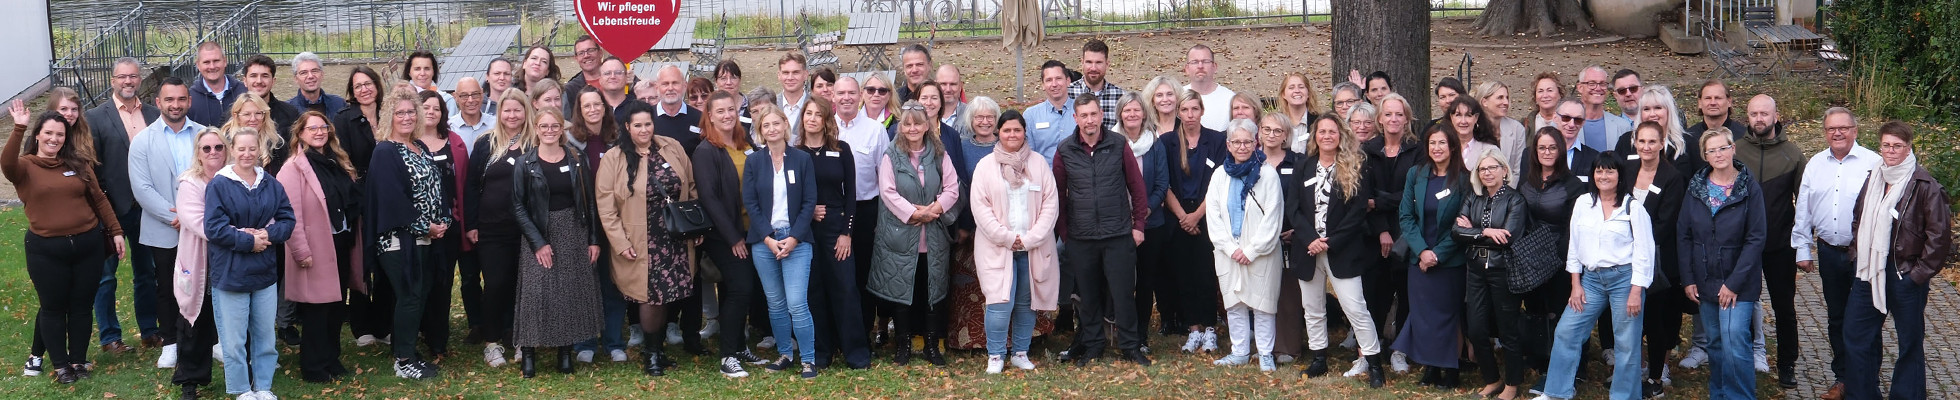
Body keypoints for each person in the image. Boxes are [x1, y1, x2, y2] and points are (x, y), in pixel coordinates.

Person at [4, 100, 125, 384]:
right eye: (48, 133)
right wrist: (18, 127)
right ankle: (61, 366)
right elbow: (6, 162)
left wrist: (116, 230)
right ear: (38, 135)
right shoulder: (24, 167)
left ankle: (78, 361)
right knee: (53, 308)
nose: (54, 139)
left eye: (60, 134)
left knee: (82, 307)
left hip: (88, 245)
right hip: (46, 250)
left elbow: (99, 198)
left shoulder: (78, 163)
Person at [1842, 122, 1950, 400]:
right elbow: (1858, 217)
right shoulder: (1874, 176)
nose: (1891, 151)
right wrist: (1857, 256)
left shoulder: (1925, 185)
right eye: (1887, 145)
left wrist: (1917, 276)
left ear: (1908, 148)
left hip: (1904, 274)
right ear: (1880, 146)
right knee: (1855, 336)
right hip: (1869, 271)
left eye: (1897, 146)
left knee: (1909, 344)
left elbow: (1939, 238)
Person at [1534, 150, 1654, 400]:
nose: (1604, 175)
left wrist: (1636, 291)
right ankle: (1556, 392)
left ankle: (1624, 396)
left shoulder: (1633, 208)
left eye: (1610, 170)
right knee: (1567, 331)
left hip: (1625, 280)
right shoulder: (1583, 204)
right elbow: (1575, 247)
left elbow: (1645, 252)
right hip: (1590, 280)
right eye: (1599, 170)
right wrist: (1575, 284)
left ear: (1620, 175)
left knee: (1626, 343)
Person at [598, 101, 700, 376]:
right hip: (640, 238)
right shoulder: (614, 158)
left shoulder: (672, 147)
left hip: (675, 236)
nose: (644, 130)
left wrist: (694, 227)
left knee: (667, 294)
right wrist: (621, 242)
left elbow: (689, 186)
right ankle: (651, 354)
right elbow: (606, 208)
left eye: (648, 124)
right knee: (649, 296)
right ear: (627, 127)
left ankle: (658, 349)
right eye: (638, 125)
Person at [1051, 95, 1153, 367]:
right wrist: (1065, 234)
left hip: (1118, 235)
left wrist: (1138, 226)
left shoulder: (1118, 144)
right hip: (1081, 238)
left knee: (1122, 295)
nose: (1089, 120)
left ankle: (1130, 346)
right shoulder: (1065, 150)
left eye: (1093, 114)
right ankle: (1094, 345)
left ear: (1101, 115)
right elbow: (1058, 196)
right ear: (1076, 118)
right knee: (1088, 297)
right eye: (1083, 115)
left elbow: (1137, 188)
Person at [1791, 107, 1880, 398]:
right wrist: (1802, 248)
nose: (1837, 133)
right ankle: (1843, 378)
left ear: (1855, 131)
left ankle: (1866, 382)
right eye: (1831, 129)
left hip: (1864, 254)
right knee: (1837, 318)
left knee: (1865, 318)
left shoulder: (1873, 162)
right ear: (1825, 132)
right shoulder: (1816, 164)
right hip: (1829, 252)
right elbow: (1803, 207)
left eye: (1843, 128)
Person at [507, 107, 603, 377]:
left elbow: (590, 203)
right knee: (535, 294)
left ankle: (564, 352)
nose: (549, 131)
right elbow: (517, 206)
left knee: (567, 293)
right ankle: (528, 353)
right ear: (536, 129)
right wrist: (538, 242)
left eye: (555, 126)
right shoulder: (525, 163)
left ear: (562, 129)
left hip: (573, 231)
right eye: (544, 126)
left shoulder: (576, 158)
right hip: (538, 233)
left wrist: (593, 239)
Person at [1291, 114, 1385, 386]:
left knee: (1356, 307)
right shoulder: (1303, 166)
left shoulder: (1355, 166)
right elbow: (1293, 209)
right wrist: (1311, 239)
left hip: (1341, 249)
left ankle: (1374, 363)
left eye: (1333, 131)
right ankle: (1319, 358)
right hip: (1308, 249)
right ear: (1315, 135)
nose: (1327, 136)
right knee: (1312, 307)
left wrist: (1329, 241)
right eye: (1322, 131)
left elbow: (1356, 214)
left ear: (1341, 135)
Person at [203, 127, 296, 400]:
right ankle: (242, 389)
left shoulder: (271, 184)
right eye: (241, 148)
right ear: (232, 150)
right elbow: (214, 228)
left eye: (252, 149)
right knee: (233, 341)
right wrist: (248, 241)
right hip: (231, 272)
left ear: (260, 150)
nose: (247, 154)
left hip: (264, 271)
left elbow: (288, 221)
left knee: (265, 335)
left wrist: (267, 235)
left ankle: (263, 386)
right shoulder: (219, 184)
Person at [363, 85, 449, 380]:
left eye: (411, 111)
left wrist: (443, 219)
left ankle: (407, 349)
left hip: (425, 237)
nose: (407, 117)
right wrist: (425, 225)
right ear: (390, 116)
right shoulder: (386, 151)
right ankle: (403, 361)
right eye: (400, 112)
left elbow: (435, 189)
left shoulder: (421, 148)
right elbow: (391, 199)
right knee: (410, 295)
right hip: (399, 240)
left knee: (418, 295)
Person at [868, 100, 962, 367]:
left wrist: (934, 209)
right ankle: (903, 345)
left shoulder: (939, 153)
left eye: (917, 123)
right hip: (901, 235)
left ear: (926, 125)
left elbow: (952, 188)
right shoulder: (891, 155)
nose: (912, 128)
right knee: (902, 292)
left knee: (932, 292)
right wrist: (913, 213)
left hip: (933, 236)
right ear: (900, 126)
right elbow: (887, 191)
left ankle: (932, 345)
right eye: (906, 123)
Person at [1676, 128, 1766, 400]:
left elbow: (1756, 238)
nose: (1719, 154)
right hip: (1705, 278)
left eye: (1723, 147)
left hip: (1739, 280)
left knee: (1735, 340)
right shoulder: (1696, 187)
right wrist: (1688, 278)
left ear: (1733, 149)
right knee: (1715, 343)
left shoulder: (1749, 187)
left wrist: (1733, 283)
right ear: (1705, 155)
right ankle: (1720, 393)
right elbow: (1684, 234)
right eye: (1712, 150)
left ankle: (1740, 396)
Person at [968, 109, 1060, 374]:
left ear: (1024, 133)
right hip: (998, 248)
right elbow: (980, 207)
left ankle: (1020, 352)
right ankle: (995, 356)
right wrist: (1007, 238)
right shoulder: (986, 166)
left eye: (1017, 130)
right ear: (998, 133)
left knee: (1025, 303)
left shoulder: (1039, 164)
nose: (1012, 134)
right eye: (1006, 130)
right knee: (999, 303)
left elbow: (1050, 204)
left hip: (1033, 247)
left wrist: (1030, 239)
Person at [85, 60, 162, 360]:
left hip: (147, 209)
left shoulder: (154, 115)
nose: (128, 81)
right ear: (112, 79)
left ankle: (149, 330)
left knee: (147, 272)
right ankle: (110, 336)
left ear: (140, 80)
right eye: (122, 76)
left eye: (133, 76)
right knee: (106, 276)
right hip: (112, 209)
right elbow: (93, 165)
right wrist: (104, 202)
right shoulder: (95, 117)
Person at [277, 111, 362, 383]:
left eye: (322, 127)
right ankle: (314, 367)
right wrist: (301, 251)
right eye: (311, 128)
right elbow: (289, 214)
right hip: (314, 247)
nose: (318, 132)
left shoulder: (336, 161)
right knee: (317, 309)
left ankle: (331, 358)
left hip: (341, 242)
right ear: (300, 133)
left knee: (337, 305)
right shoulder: (293, 167)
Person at [128, 77, 207, 370]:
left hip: (200, 228)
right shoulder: (142, 140)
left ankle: (205, 339)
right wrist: (176, 216)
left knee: (203, 283)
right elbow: (142, 188)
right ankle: (171, 342)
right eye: (169, 100)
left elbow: (213, 178)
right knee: (168, 287)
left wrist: (194, 218)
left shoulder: (204, 135)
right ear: (158, 103)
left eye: (181, 99)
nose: (176, 105)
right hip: (164, 229)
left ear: (189, 101)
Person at [739, 105, 821, 378]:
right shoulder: (754, 161)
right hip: (765, 241)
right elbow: (750, 203)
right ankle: (785, 353)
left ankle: (808, 359)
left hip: (797, 239)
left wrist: (794, 238)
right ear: (760, 131)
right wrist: (768, 239)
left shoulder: (801, 159)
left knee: (797, 302)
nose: (772, 129)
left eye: (776, 123)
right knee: (775, 302)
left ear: (786, 124)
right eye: (766, 125)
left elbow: (810, 201)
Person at [791, 97, 872, 370]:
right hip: (806, 230)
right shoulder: (795, 153)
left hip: (837, 229)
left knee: (846, 288)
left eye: (818, 114)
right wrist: (808, 209)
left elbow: (852, 195)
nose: (812, 118)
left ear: (827, 120)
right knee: (813, 290)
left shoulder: (842, 149)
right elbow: (788, 196)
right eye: (808, 113)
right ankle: (820, 351)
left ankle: (856, 351)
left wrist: (846, 233)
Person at [692, 90, 768, 377]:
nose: (726, 115)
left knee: (732, 290)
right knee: (740, 288)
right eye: (719, 111)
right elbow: (709, 199)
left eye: (730, 110)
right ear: (709, 116)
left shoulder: (745, 142)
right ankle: (727, 357)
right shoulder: (706, 151)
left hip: (751, 230)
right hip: (725, 235)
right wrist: (733, 238)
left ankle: (738, 346)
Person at [1201, 119, 1284, 371]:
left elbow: (1273, 215)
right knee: (1234, 303)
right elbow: (1213, 215)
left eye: (1247, 141)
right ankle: (1239, 351)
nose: (1242, 146)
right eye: (1236, 141)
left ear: (1255, 142)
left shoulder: (1267, 173)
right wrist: (1229, 248)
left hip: (1261, 253)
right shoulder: (1219, 175)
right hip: (1229, 252)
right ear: (1228, 144)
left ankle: (1266, 353)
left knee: (1263, 304)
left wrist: (1251, 250)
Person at [1733, 93, 1806, 379]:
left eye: (1765, 114)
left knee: (1783, 306)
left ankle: (1787, 364)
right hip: (1743, 245)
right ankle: (1748, 356)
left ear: (1776, 116)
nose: (1759, 119)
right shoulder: (1735, 151)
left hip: (1780, 245)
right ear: (1747, 117)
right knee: (1744, 303)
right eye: (1754, 114)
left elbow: (1805, 203)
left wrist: (1802, 247)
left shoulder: (1793, 154)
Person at [1395, 124, 1471, 388]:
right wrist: (1423, 251)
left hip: (1449, 261)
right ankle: (1430, 367)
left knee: (1448, 316)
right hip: (1419, 259)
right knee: (1423, 315)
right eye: (1432, 143)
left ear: (1452, 146)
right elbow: (1406, 217)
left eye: (1442, 143)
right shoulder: (1416, 174)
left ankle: (1451, 368)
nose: (1436, 148)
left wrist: (1437, 254)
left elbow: (1463, 223)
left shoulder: (1464, 178)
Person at [465, 87, 532, 367]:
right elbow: (470, 186)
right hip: (491, 229)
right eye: (507, 110)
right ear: (499, 112)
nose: (512, 115)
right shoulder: (486, 143)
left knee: (522, 286)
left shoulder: (535, 142)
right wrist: (471, 224)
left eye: (518, 110)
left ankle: (519, 339)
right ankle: (491, 342)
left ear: (525, 112)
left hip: (527, 230)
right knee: (495, 284)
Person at [1454, 147, 1528, 399]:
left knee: (1508, 330)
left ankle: (1512, 383)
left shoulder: (1515, 200)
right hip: (1475, 270)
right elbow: (1456, 232)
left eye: (1492, 167)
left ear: (1504, 170)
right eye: (1482, 169)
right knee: (1475, 329)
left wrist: (1472, 231)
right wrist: (1484, 232)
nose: (1486, 173)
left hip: (1502, 271)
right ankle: (1492, 379)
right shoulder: (1473, 197)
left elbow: (1507, 238)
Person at [1623, 121, 1689, 398]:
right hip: (1624, 254)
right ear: (1635, 144)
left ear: (1662, 144)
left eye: (1652, 142)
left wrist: (1638, 244)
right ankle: (1631, 371)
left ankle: (1655, 378)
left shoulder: (1672, 177)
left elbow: (1666, 222)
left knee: (1655, 320)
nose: (1647, 147)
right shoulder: (1627, 170)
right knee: (1628, 318)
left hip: (1657, 258)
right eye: (1642, 142)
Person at [1162, 89, 1226, 352]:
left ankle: (1210, 327)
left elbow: (1219, 181)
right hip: (1177, 216)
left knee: (1206, 273)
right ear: (1178, 112)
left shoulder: (1217, 140)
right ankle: (1193, 329)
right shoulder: (1167, 142)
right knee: (1183, 273)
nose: (1190, 115)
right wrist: (1182, 217)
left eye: (1194, 109)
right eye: (1185, 110)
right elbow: (1162, 183)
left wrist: (1197, 215)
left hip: (1207, 214)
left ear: (1202, 111)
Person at [1363, 93, 1421, 373]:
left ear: (1407, 119)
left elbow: (1413, 195)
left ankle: (1400, 350)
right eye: (1388, 114)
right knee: (1375, 295)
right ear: (1380, 118)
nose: (1393, 119)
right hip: (1374, 235)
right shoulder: (1368, 150)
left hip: (1407, 234)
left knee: (1406, 295)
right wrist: (1382, 230)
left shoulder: (1417, 150)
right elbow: (1364, 197)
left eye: (1399, 114)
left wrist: (1380, 201)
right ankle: (1369, 352)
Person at [167, 127, 227, 398]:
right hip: (199, 263)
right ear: (198, 154)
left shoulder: (237, 178)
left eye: (219, 147)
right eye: (207, 148)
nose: (213, 152)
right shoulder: (190, 183)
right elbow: (199, 223)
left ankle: (243, 376)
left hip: (230, 262)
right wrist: (236, 233)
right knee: (194, 323)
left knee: (236, 321)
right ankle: (190, 381)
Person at [414, 90, 471, 362]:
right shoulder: (408, 144)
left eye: (436, 108)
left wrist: (459, 217)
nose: (431, 112)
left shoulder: (454, 142)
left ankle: (439, 341)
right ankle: (418, 332)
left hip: (449, 227)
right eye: (426, 107)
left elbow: (465, 185)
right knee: (419, 282)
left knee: (443, 283)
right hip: (417, 228)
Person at [946, 96, 1003, 351]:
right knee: (966, 284)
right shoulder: (960, 146)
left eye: (990, 116)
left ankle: (999, 338)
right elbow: (957, 185)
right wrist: (963, 224)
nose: (985, 121)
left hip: (999, 226)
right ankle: (966, 339)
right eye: (979, 117)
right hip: (966, 224)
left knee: (996, 283)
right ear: (971, 120)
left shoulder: (1005, 145)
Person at [1116, 91, 1175, 337]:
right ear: (1120, 114)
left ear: (1144, 114)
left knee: (1145, 281)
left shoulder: (1155, 143)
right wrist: (1126, 216)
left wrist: (1142, 212)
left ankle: (1140, 334)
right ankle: (1121, 331)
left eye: (1136, 110)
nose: (1132, 114)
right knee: (1121, 281)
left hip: (1152, 224)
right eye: (1127, 110)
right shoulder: (1112, 142)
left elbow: (1162, 184)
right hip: (1119, 223)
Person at [1254, 113, 1305, 363]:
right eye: (1267, 129)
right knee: (1262, 293)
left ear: (1286, 135)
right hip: (1258, 239)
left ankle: (1288, 347)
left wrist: (1297, 230)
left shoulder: (1299, 163)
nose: (1271, 135)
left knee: (1288, 295)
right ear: (1259, 132)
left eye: (1277, 131)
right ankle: (1264, 346)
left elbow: (1305, 201)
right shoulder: (1250, 161)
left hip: (1290, 237)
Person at [1612, 86, 1702, 176]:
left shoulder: (1688, 143)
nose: (1652, 114)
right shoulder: (1626, 141)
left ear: (1668, 111)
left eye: (1658, 108)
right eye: (1646, 109)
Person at [240, 56, 300, 167]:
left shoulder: (290, 113)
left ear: (273, 81)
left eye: (265, 76)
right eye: (253, 76)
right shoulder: (231, 115)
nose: (259, 81)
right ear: (245, 81)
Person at [333, 67, 384, 179]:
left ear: (377, 85)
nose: (364, 90)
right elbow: (343, 159)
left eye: (368, 84)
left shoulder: (388, 113)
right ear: (353, 92)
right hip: (361, 186)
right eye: (358, 86)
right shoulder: (343, 119)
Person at [1473, 81, 1527, 185]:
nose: (1506, 102)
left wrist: (1505, 196)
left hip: (1509, 193)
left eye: (1507, 97)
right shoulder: (1473, 128)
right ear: (1484, 102)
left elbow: (1517, 170)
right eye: (1500, 97)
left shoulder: (1517, 129)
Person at [1024, 60, 1076, 161]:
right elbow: (1028, 154)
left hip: (1077, 174)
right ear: (1043, 85)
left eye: (1058, 78)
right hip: (1044, 174)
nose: (1054, 84)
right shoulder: (1031, 116)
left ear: (1068, 81)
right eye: (1048, 80)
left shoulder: (1082, 112)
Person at [1068, 39, 1125, 130]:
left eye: (1098, 62)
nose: (1093, 68)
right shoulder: (1068, 93)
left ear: (1107, 64)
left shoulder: (1120, 97)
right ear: (1082, 62)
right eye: (1089, 62)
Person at [1574, 66, 1631, 152]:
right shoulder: (1564, 124)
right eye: (1592, 83)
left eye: (1602, 84)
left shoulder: (1623, 126)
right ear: (1580, 87)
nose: (1598, 88)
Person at [187, 42, 242, 126]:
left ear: (225, 61)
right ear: (198, 65)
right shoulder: (190, 98)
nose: (212, 67)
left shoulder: (243, 92)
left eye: (216, 61)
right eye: (206, 62)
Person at [648, 65, 703, 150]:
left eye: (675, 83)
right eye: (665, 84)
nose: (670, 88)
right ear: (657, 88)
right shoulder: (647, 117)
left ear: (685, 86)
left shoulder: (700, 118)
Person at [1183, 45, 1235, 131]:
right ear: (1187, 68)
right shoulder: (1177, 97)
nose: (1200, 66)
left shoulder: (1230, 98)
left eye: (1205, 61)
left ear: (1214, 67)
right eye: (1195, 62)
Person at [1445, 97, 1502, 174]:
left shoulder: (1490, 150)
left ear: (1476, 118)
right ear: (1451, 117)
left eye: (1468, 115)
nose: (1463, 121)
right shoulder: (1443, 147)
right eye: (1458, 115)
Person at [1552, 99, 1599, 179]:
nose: (1571, 124)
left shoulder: (1594, 158)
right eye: (1566, 118)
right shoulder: (1533, 154)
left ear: (1583, 123)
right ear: (1555, 118)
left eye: (1578, 120)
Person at [561, 36, 606, 116]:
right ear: (576, 58)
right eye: (581, 53)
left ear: (600, 53)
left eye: (590, 50)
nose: (586, 55)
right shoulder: (570, 90)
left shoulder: (618, 79)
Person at [450, 77, 493, 154]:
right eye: (464, 95)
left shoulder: (495, 125)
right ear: (455, 97)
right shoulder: (449, 128)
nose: (470, 100)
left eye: (475, 94)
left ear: (482, 94)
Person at [1278, 73, 1318, 146]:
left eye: (1301, 87)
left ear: (1308, 93)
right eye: (1291, 87)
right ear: (1283, 94)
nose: (1297, 91)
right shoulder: (1276, 123)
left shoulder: (1319, 122)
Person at [778, 53, 811, 129]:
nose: (790, 78)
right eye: (786, 73)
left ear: (805, 75)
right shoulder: (771, 105)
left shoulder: (816, 106)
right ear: (779, 75)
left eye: (795, 72)